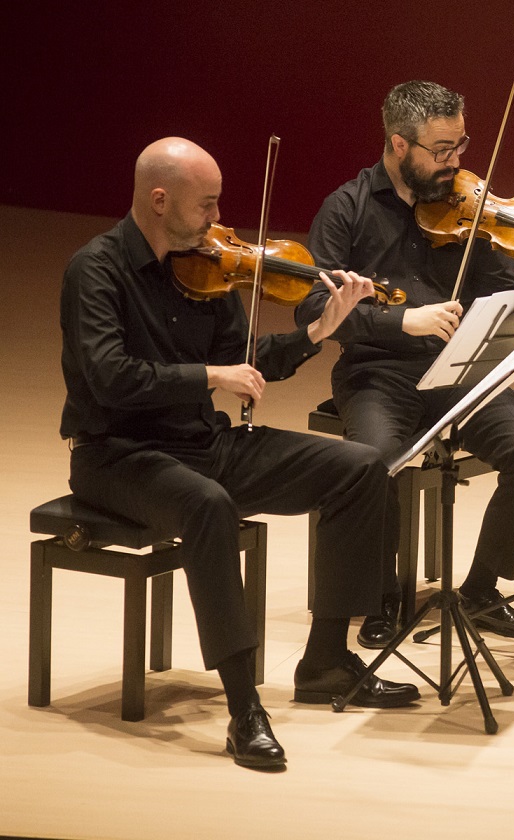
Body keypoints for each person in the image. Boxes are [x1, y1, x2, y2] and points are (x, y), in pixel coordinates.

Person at [60, 137, 420, 771]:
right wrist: (205, 377)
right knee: (208, 506)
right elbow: (110, 377)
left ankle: (327, 661)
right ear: (159, 199)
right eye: (207, 205)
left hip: (203, 442)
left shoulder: (212, 268)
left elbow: (247, 364)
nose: (218, 220)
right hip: (118, 455)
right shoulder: (96, 270)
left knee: (359, 466)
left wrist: (318, 330)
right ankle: (243, 707)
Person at [295, 80, 514, 647]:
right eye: (440, 151)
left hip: (458, 368)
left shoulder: (472, 212)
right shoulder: (347, 208)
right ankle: (382, 596)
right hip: (377, 370)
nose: (455, 162)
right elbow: (313, 306)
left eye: (460, 146)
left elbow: (506, 307)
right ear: (398, 145)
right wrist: (401, 321)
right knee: (375, 462)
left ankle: (482, 591)